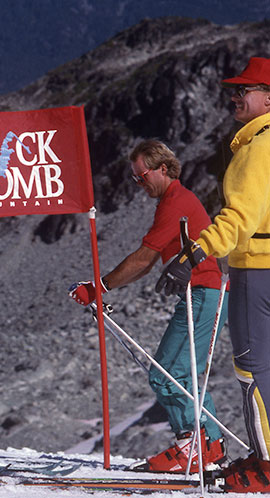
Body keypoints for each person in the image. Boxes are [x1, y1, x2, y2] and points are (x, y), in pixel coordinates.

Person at [69, 140, 228, 473]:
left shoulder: (176, 203)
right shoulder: (173, 200)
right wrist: (102, 287)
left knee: (169, 373)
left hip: (202, 293)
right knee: (178, 373)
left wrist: (99, 287)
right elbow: (148, 261)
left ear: (163, 169)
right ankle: (208, 445)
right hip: (201, 293)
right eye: (134, 178)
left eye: (142, 176)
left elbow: (143, 257)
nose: (139, 184)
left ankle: (197, 446)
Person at [157, 57, 270, 492]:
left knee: (253, 369)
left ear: (268, 97)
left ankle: (265, 467)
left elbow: (239, 217)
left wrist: (195, 252)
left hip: (256, 269)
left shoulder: (257, 147)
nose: (235, 97)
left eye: (245, 91)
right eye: (234, 90)